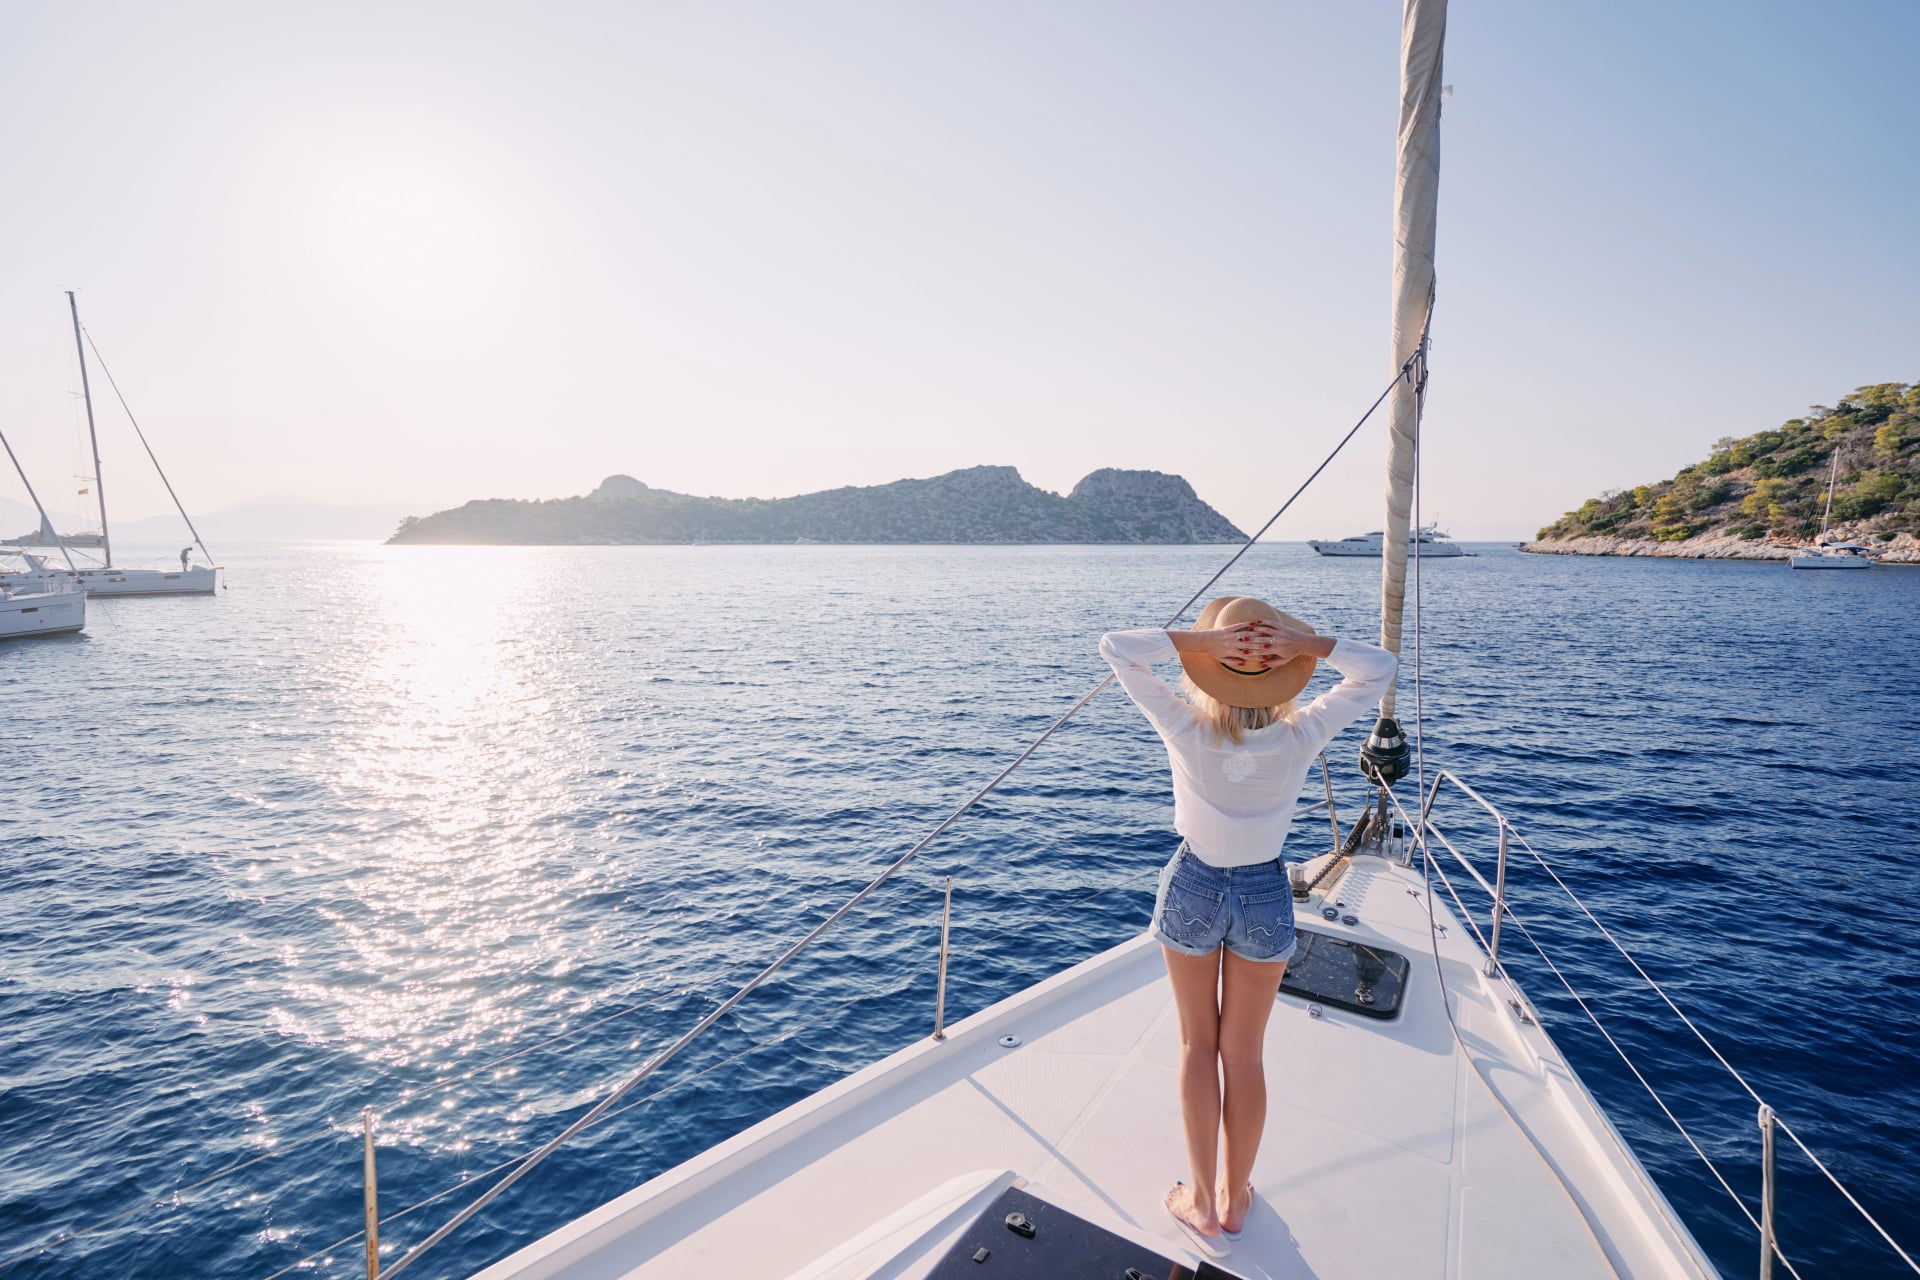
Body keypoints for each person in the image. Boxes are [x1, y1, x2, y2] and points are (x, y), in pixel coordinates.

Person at [1099, 595, 1396, 1255]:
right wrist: (1307, 647)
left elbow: (1116, 647)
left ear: (1213, 670)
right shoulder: (1300, 736)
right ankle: (1234, 1200)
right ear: (1283, 673)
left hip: (1193, 885)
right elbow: (1378, 669)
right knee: (1245, 1056)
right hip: (1265, 892)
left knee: (1196, 1048)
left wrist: (1202, 644)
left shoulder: (1186, 729)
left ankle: (1199, 1203)